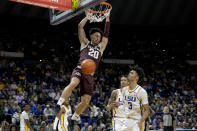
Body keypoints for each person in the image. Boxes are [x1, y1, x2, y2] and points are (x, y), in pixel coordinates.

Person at [57, 8, 112, 122]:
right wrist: (88, 17)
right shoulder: (84, 43)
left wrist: (107, 18)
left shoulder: (101, 47)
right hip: (80, 69)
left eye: (99, 37)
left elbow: (106, 35)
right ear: (91, 35)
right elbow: (80, 26)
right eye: (96, 35)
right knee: (73, 83)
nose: (98, 38)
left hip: (89, 75)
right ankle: (60, 101)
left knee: (86, 102)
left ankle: (74, 117)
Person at [114, 65, 150, 131]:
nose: (129, 74)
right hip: (125, 120)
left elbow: (147, 111)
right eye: (129, 72)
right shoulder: (124, 90)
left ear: (137, 78)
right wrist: (118, 105)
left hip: (136, 121)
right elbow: (124, 105)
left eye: (132, 73)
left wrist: (141, 120)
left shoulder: (141, 91)